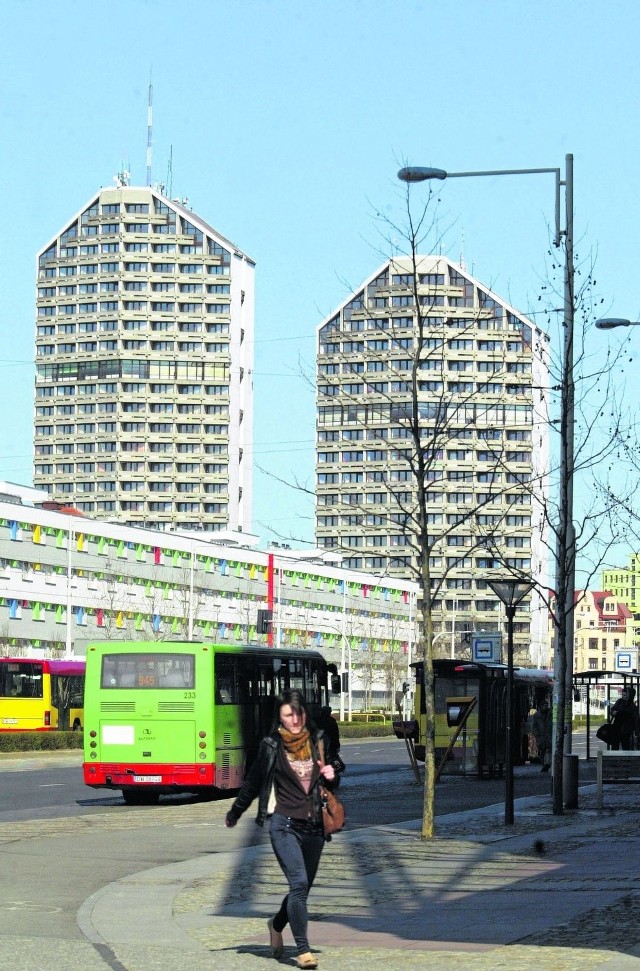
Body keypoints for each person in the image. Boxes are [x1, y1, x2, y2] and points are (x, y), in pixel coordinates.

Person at [225, 690, 336, 970]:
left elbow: (331, 781)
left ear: (304, 714)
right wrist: (236, 812)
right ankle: (303, 950)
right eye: (288, 714)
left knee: (303, 889)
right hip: (284, 824)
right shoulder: (271, 745)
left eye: (298, 713)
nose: (295, 719)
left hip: (314, 827)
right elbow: (253, 782)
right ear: (280, 717)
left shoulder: (318, 740)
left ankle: (276, 924)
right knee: (298, 884)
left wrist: (332, 775)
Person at [610, 686, 640, 751]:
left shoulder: (633, 707)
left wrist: (637, 732)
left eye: (626, 695)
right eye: (623, 695)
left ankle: (625, 760)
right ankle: (614, 759)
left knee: (625, 747)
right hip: (617, 728)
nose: (624, 696)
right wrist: (613, 712)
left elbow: (636, 720)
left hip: (626, 730)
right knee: (615, 746)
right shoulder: (619, 702)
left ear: (630, 695)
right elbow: (612, 710)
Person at [316, 705, 343, 770]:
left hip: (318, 744)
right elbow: (335, 735)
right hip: (330, 744)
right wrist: (337, 745)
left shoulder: (317, 720)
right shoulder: (332, 721)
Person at [531, 698, 552, 771]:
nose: (546, 706)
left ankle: (547, 763)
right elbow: (534, 726)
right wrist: (537, 735)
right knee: (542, 751)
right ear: (541, 706)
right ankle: (544, 764)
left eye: (546, 705)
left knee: (549, 750)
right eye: (544, 705)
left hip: (549, 735)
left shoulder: (550, 714)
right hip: (541, 736)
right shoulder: (536, 715)